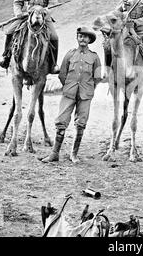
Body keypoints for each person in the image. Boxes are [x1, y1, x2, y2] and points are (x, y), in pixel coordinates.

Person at [41, 27, 102, 163]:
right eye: (80, 36)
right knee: (61, 122)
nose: (83, 39)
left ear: (89, 40)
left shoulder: (94, 57)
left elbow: (97, 77)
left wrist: (88, 88)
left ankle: (73, 154)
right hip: (69, 93)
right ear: (77, 38)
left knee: (81, 123)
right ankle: (54, 154)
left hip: (85, 95)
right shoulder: (70, 54)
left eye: (86, 37)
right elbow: (63, 74)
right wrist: (69, 86)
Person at [0, 0, 60, 74]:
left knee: (54, 36)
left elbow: (54, 4)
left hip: (43, 17)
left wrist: (45, 11)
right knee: (10, 31)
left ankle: (53, 65)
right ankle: (5, 57)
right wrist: (18, 12)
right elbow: (17, 2)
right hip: (27, 16)